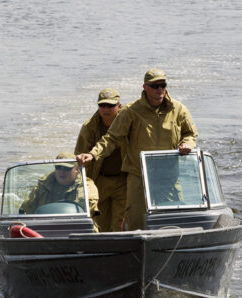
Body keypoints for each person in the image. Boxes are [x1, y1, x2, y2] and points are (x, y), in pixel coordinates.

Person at [76, 68, 198, 230]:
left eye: (163, 85)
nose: (159, 89)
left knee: (174, 220)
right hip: (138, 175)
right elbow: (112, 138)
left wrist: (188, 143)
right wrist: (93, 154)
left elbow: (190, 133)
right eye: (154, 86)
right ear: (145, 87)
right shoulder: (131, 111)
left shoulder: (178, 109)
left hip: (168, 175)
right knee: (136, 222)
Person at [74, 88, 127, 232]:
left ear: (119, 106)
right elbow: (79, 154)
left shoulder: (128, 122)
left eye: (110, 106)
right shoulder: (89, 127)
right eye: (102, 105)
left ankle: (120, 251)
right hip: (100, 181)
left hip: (123, 180)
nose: (106, 109)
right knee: (99, 223)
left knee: (118, 224)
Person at [20, 152, 99, 229]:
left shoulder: (86, 186)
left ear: (77, 169)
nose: (62, 171)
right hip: (46, 226)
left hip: (78, 227)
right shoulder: (43, 185)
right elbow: (27, 209)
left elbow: (89, 208)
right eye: (58, 167)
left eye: (67, 168)